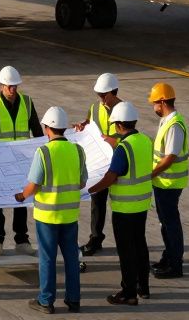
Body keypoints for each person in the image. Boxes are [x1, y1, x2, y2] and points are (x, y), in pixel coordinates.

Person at [13, 106, 86, 314]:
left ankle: (46, 301)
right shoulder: (77, 150)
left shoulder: (43, 152)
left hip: (47, 216)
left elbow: (34, 185)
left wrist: (21, 195)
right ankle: (73, 300)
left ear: (47, 129)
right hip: (70, 215)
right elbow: (82, 182)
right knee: (71, 258)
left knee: (47, 258)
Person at [86, 101, 152, 305]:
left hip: (124, 208)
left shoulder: (123, 148)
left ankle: (128, 292)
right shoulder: (145, 141)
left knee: (126, 251)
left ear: (119, 125)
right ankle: (144, 287)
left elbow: (111, 177)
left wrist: (89, 189)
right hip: (142, 204)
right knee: (140, 245)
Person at [0, 65, 42, 256]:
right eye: (9, 86)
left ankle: (21, 238)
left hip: (22, 161)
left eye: (15, 86)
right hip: (0, 161)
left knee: (21, 199)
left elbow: (37, 131)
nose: (13, 90)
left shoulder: (28, 103)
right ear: (1, 86)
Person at [73, 72, 121, 256]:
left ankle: (122, 238)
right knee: (97, 200)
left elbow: (129, 135)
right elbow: (89, 121)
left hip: (119, 161)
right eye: (98, 95)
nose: (101, 99)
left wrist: (113, 141)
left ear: (113, 93)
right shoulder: (95, 107)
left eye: (104, 95)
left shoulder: (125, 109)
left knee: (119, 203)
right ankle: (96, 238)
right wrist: (82, 125)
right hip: (101, 164)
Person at [148, 82, 189, 279]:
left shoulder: (174, 125)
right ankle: (169, 256)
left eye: (155, 102)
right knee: (165, 223)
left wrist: (150, 174)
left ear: (162, 102)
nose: (153, 106)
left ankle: (175, 264)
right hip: (162, 183)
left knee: (171, 224)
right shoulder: (166, 120)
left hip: (169, 184)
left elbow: (170, 157)